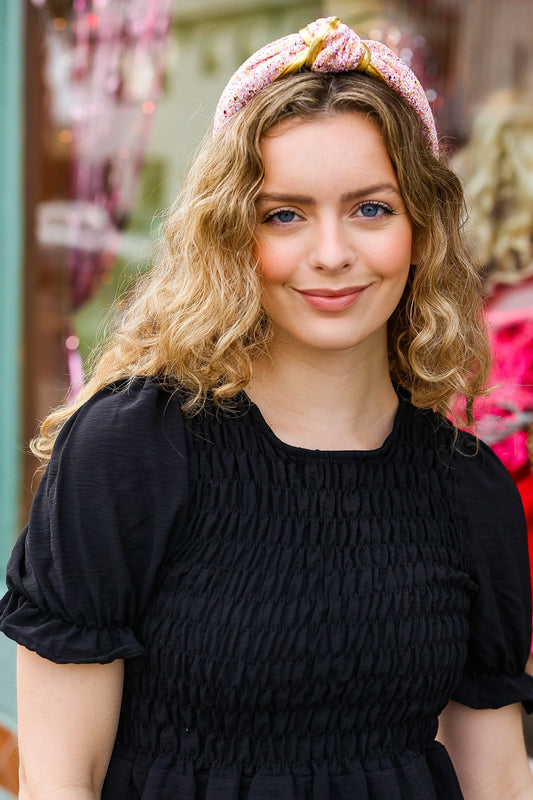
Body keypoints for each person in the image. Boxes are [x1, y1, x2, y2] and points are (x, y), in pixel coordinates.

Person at [1, 16, 533, 800]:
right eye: (283, 214)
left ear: (420, 227)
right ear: (232, 236)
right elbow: (59, 781)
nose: (329, 253)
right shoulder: (131, 452)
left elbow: (495, 780)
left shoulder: (467, 489)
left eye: (370, 209)